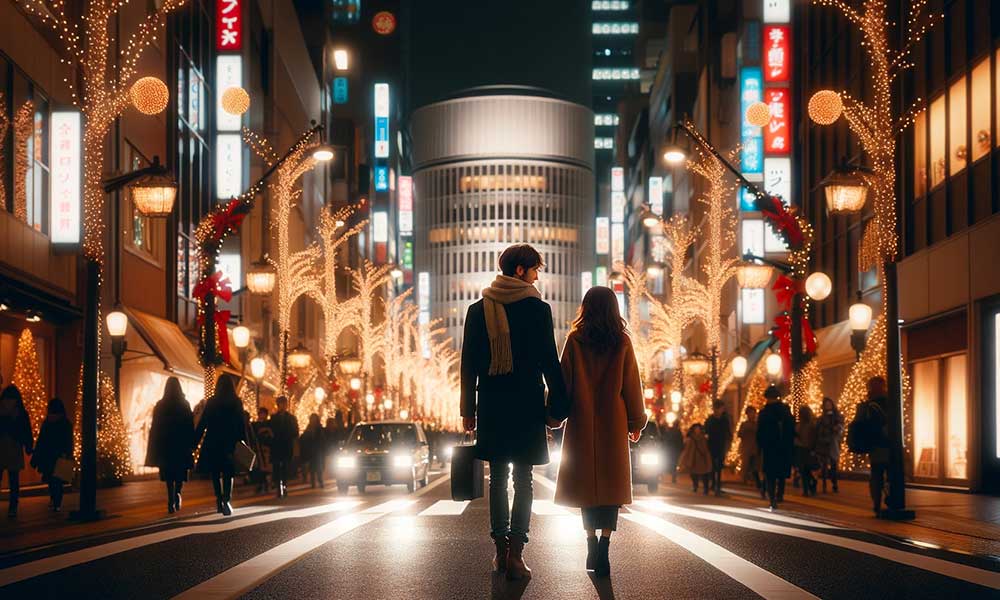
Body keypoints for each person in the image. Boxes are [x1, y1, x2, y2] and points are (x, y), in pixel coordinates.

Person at [460, 243, 570, 581]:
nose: (538, 275)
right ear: (521, 271)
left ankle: (500, 553)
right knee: (523, 480)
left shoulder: (478, 310)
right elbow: (549, 361)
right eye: (535, 269)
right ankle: (516, 553)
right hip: (526, 405)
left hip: (493, 404)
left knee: (498, 479)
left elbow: (468, 366)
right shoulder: (538, 309)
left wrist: (469, 410)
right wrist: (558, 407)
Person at [552, 286, 646, 578]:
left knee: (585, 489)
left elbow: (564, 383)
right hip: (612, 422)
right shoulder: (622, 342)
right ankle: (604, 545)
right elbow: (632, 384)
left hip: (581, 422)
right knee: (610, 489)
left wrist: (554, 416)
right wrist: (635, 422)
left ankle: (590, 541)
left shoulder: (575, 341)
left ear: (586, 308)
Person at [194, 375, 246, 516]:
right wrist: (243, 440)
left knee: (215, 472)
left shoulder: (212, 402)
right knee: (229, 473)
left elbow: (203, 422)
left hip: (213, 441)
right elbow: (241, 424)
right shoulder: (236, 402)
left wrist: (195, 441)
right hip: (230, 442)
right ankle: (226, 499)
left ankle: (218, 499)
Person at [145, 377, 195, 513]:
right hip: (181, 444)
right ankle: (178, 493)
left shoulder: (160, 405)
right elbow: (190, 425)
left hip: (166, 445)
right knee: (179, 472)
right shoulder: (184, 404)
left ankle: (170, 499)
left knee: (169, 475)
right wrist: (192, 442)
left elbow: (155, 427)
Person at [756, 385, 795, 510]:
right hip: (783, 446)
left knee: (770, 474)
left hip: (769, 447)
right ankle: (779, 495)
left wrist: (760, 445)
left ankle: (772, 498)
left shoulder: (764, 412)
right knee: (781, 473)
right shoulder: (785, 410)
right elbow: (791, 427)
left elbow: (760, 432)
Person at [31, 398, 73, 512]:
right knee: (57, 481)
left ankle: (54, 500)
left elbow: (41, 441)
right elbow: (68, 441)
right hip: (59, 456)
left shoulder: (47, 423)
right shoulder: (65, 423)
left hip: (48, 456)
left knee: (51, 480)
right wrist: (68, 454)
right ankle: (57, 502)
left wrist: (36, 456)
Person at [0, 385, 33, 518]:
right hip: (14, 447)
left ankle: (13, 507)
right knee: (14, 480)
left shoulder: (1, 408)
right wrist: (28, 445)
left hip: (1, 446)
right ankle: (13, 506)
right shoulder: (20, 411)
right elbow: (26, 430)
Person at [863, 377, 891, 517]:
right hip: (886, 443)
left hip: (876, 444)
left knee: (877, 474)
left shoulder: (869, 404)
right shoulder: (888, 401)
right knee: (885, 473)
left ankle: (877, 504)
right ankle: (884, 501)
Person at [269, 396, 299, 498]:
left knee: (285, 467)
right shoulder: (273, 418)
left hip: (286, 445)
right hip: (277, 446)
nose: (283, 406)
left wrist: (290, 436)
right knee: (277, 467)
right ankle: (278, 486)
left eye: (284, 404)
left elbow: (296, 432)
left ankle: (285, 485)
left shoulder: (291, 418)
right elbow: (270, 431)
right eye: (281, 404)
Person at [815, 397, 844, 493]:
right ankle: (824, 484)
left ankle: (834, 483)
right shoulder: (821, 417)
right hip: (824, 442)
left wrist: (837, 429)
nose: (828, 406)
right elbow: (818, 429)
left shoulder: (837, 416)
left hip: (833, 442)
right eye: (826, 404)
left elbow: (840, 427)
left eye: (829, 404)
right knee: (823, 465)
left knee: (833, 464)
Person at [704, 400, 732, 496]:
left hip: (721, 444)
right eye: (721, 408)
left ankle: (718, 484)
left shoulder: (724, 419)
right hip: (711, 444)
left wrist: (728, 439)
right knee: (712, 465)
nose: (722, 410)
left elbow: (728, 431)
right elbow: (706, 431)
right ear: (716, 409)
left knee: (719, 465)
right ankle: (712, 483)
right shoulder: (710, 420)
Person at [679, 423, 712, 494]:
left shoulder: (703, 438)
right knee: (693, 473)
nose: (697, 430)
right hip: (693, 458)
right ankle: (695, 485)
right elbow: (688, 449)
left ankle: (705, 488)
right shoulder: (691, 438)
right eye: (696, 429)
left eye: (698, 429)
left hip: (702, 458)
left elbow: (706, 448)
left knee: (704, 473)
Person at [738, 406, 763, 497]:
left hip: (755, 448)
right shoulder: (744, 424)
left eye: (753, 413)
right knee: (746, 464)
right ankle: (745, 479)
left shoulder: (757, 424)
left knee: (755, 465)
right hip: (747, 447)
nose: (752, 415)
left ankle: (756, 481)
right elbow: (740, 434)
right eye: (750, 413)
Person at [795, 405, 819, 497]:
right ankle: (808, 488)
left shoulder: (810, 425)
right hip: (804, 449)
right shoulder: (802, 425)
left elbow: (814, 438)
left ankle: (809, 487)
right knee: (805, 470)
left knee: (806, 470)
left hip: (806, 449)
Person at [300, 413, 326, 488]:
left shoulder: (319, 428)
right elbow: (304, 438)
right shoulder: (308, 428)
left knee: (319, 468)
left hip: (317, 451)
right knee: (312, 468)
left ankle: (320, 481)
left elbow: (322, 439)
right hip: (311, 451)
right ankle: (313, 483)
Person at [252, 407, 273, 493]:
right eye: (261, 413)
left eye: (263, 413)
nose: (262, 415)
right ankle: (261, 484)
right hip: (258, 448)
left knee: (267, 466)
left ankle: (268, 484)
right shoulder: (255, 425)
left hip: (267, 447)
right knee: (260, 467)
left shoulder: (269, 424)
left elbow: (271, 435)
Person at [662, 417, 684, 484]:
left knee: (672, 463)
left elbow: (667, 440)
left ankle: (672, 475)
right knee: (674, 463)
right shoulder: (677, 431)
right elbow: (680, 441)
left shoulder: (670, 431)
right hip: (675, 450)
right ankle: (673, 476)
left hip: (671, 450)